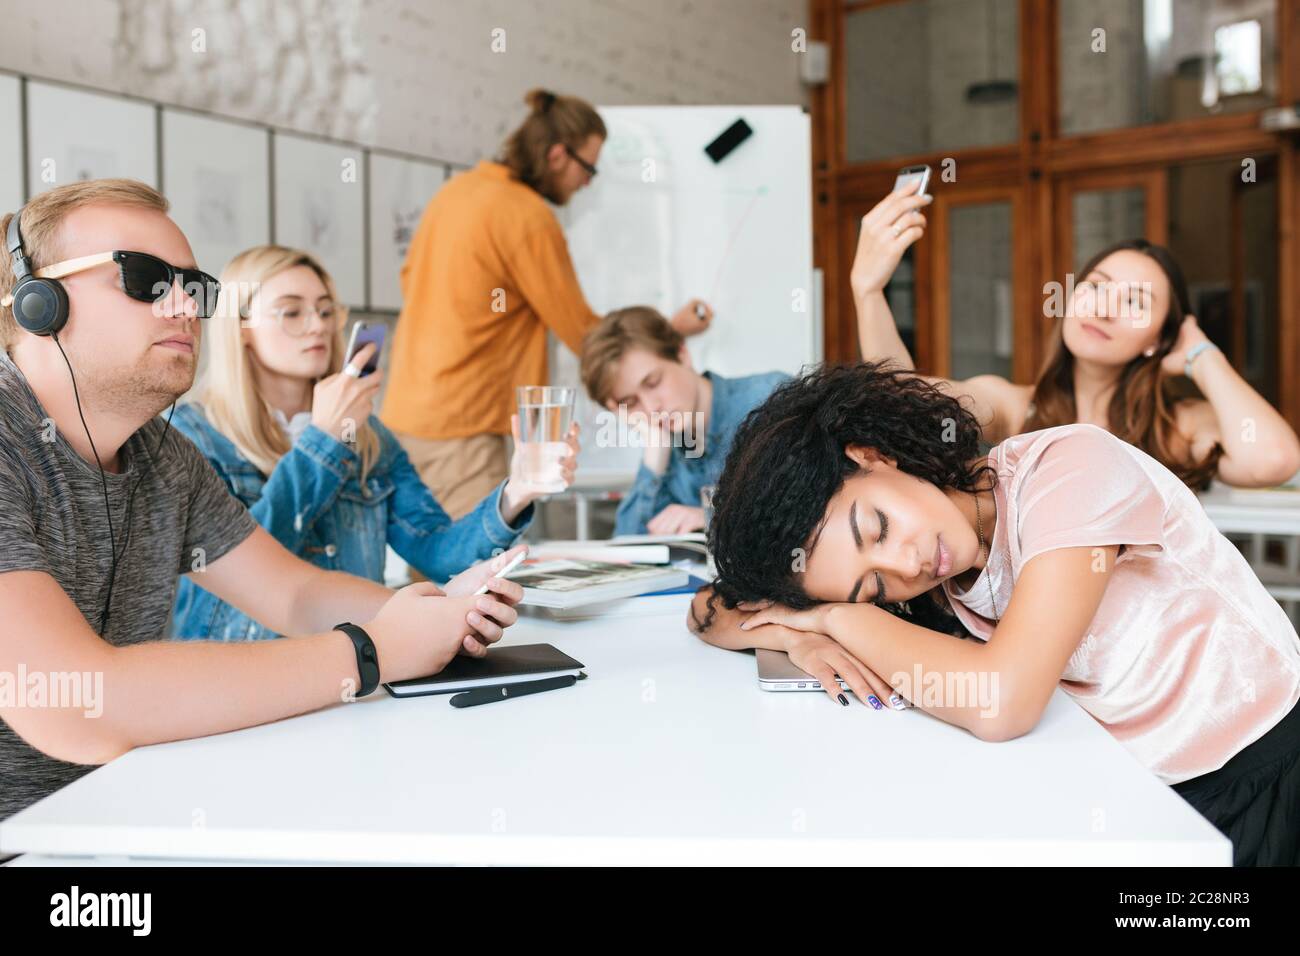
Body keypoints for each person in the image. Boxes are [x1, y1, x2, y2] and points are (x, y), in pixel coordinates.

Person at [0, 179, 523, 823]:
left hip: (119, 813)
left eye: (195, 288)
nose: (183, 306)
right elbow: (78, 705)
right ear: (37, 301)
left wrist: (440, 614)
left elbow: (294, 594)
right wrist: (373, 651)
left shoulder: (163, 458)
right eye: (144, 279)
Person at [688, 362, 1300, 865]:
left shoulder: (1069, 471)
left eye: (876, 526)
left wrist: (839, 619)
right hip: (1138, 790)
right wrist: (800, 639)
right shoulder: (946, 564)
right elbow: (709, 608)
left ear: (874, 456)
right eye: (870, 586)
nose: (904, 566)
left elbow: (1001, 701)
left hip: (1260, 776)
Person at [170, 245, 577, 640]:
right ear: (241, 329)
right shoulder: (193, 436)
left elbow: (436, 551)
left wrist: (516, 493)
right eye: (292, 312)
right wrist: (324, 441)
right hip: (245, 678)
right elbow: (242, 577)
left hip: (356, 667)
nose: (318, 326)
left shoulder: (367, 436)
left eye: (326, 310)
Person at [381, 88, 711, 520]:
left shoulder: (457, 193)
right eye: (589, 167)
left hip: (405, 415)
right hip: (464, 428)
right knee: (472, 576)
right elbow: (585, 334)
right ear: (558, 155)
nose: (588, 181)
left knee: (427, 576)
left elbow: (409, 282)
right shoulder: (525, 216)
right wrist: (672, 331)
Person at [852, 181, 1300, 488]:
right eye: (1097, 287)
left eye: (1135, 302)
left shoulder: (1175, 428)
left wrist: (1201, 352)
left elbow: (1275, 460)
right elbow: (903, 401)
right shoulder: (1016, 408)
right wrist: (869, 291)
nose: (1104, 307)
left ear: (1158, 341)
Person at [579, 306, 787, 534]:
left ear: (682, 355)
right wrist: (655, 453)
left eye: (653, 382)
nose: (651, 408)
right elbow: (626, 551)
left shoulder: (772, 399)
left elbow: (813, 513)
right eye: (631, 402)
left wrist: (712, 517)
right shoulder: (667, 444)